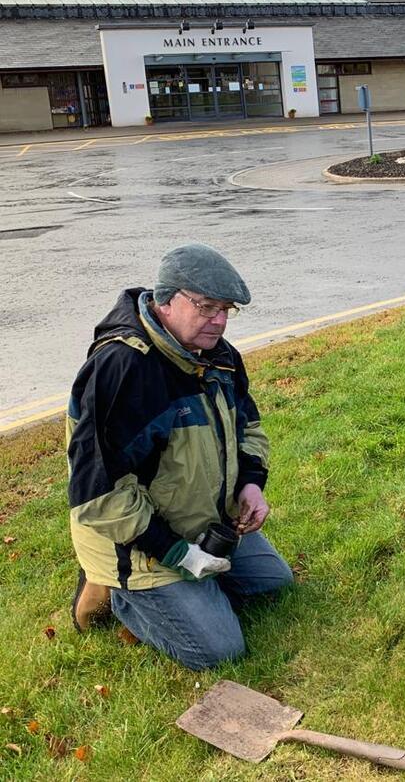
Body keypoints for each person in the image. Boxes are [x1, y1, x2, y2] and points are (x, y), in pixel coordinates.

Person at [67, 243, 293, 670]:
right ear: (165, 300)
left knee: (273, 583)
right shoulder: (123, 369)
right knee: (218, 651)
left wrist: (251, 484)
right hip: (136, 544)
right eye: (207, 307)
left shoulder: (218, 355)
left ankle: (191, 591)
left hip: (205, 520)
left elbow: (250, 428)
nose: (220, 321)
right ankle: (113, 590)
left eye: (227, 309)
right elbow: (97, 496)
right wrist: (176, 554)